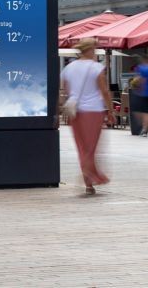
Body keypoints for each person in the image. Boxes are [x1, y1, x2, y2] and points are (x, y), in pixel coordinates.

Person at [59, 38, 111, 195]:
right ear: (89, 50)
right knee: (91, 148)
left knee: (82, 147)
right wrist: (111, 111)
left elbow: (65, 91)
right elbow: (104, 91)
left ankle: (89, 181)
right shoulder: (96, 68)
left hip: (76, 112)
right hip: (94, 111)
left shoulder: (68, 68)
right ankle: (91, 176)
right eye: (94, 50)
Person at [131, 55, 148, 137]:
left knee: (144, 112)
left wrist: (139, 89)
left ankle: (144, 130)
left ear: (144, 60)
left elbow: (142, 80)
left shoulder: (142, 68)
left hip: (145, 93)